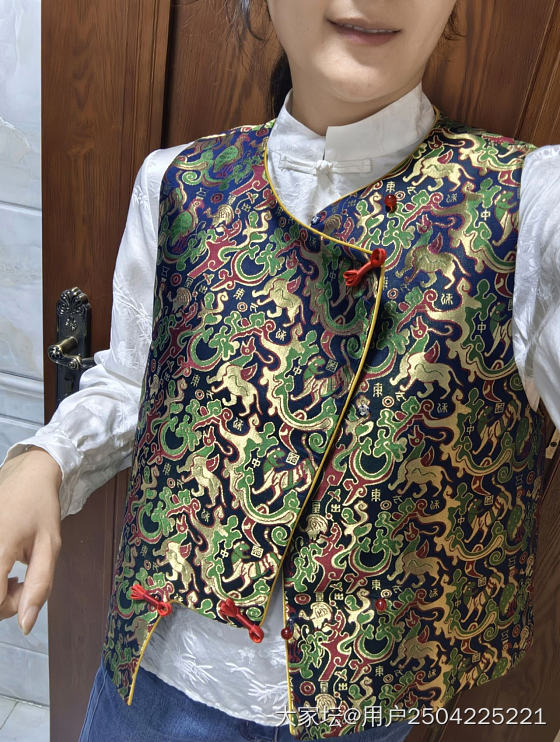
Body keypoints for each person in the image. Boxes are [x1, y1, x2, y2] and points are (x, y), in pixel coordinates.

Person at [0, 1, 559, 741]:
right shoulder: (178, 182)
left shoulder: (529, 203)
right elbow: (137, 383)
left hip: (361, 706)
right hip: (153, 674)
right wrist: (45, 459)